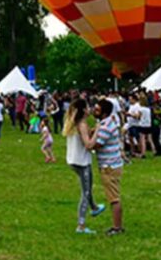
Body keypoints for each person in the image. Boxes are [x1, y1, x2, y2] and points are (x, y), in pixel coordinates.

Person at [64, 99, 104, 234]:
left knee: (87, 187)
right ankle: (81, 226)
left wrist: (92, 130)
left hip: (73, 160)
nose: (90, 108)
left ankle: (94, 207)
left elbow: (84, 136)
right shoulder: (81, 124)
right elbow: (88, 145)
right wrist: (98, 130)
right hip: (82, 162)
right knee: (85, 192)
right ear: (83, 110)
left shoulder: (76, 124)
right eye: (88, 106)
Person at [89, 99, 124, 236]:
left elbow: (95, 145)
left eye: (97, 110)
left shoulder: (104, 127)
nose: (94, 112)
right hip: (113, 164)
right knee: (114, 196)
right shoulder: (108, 122)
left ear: (104, 112)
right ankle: (117, 226)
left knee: (113, 198)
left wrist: (86, 139)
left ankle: (117, 227)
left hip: (108, 166)